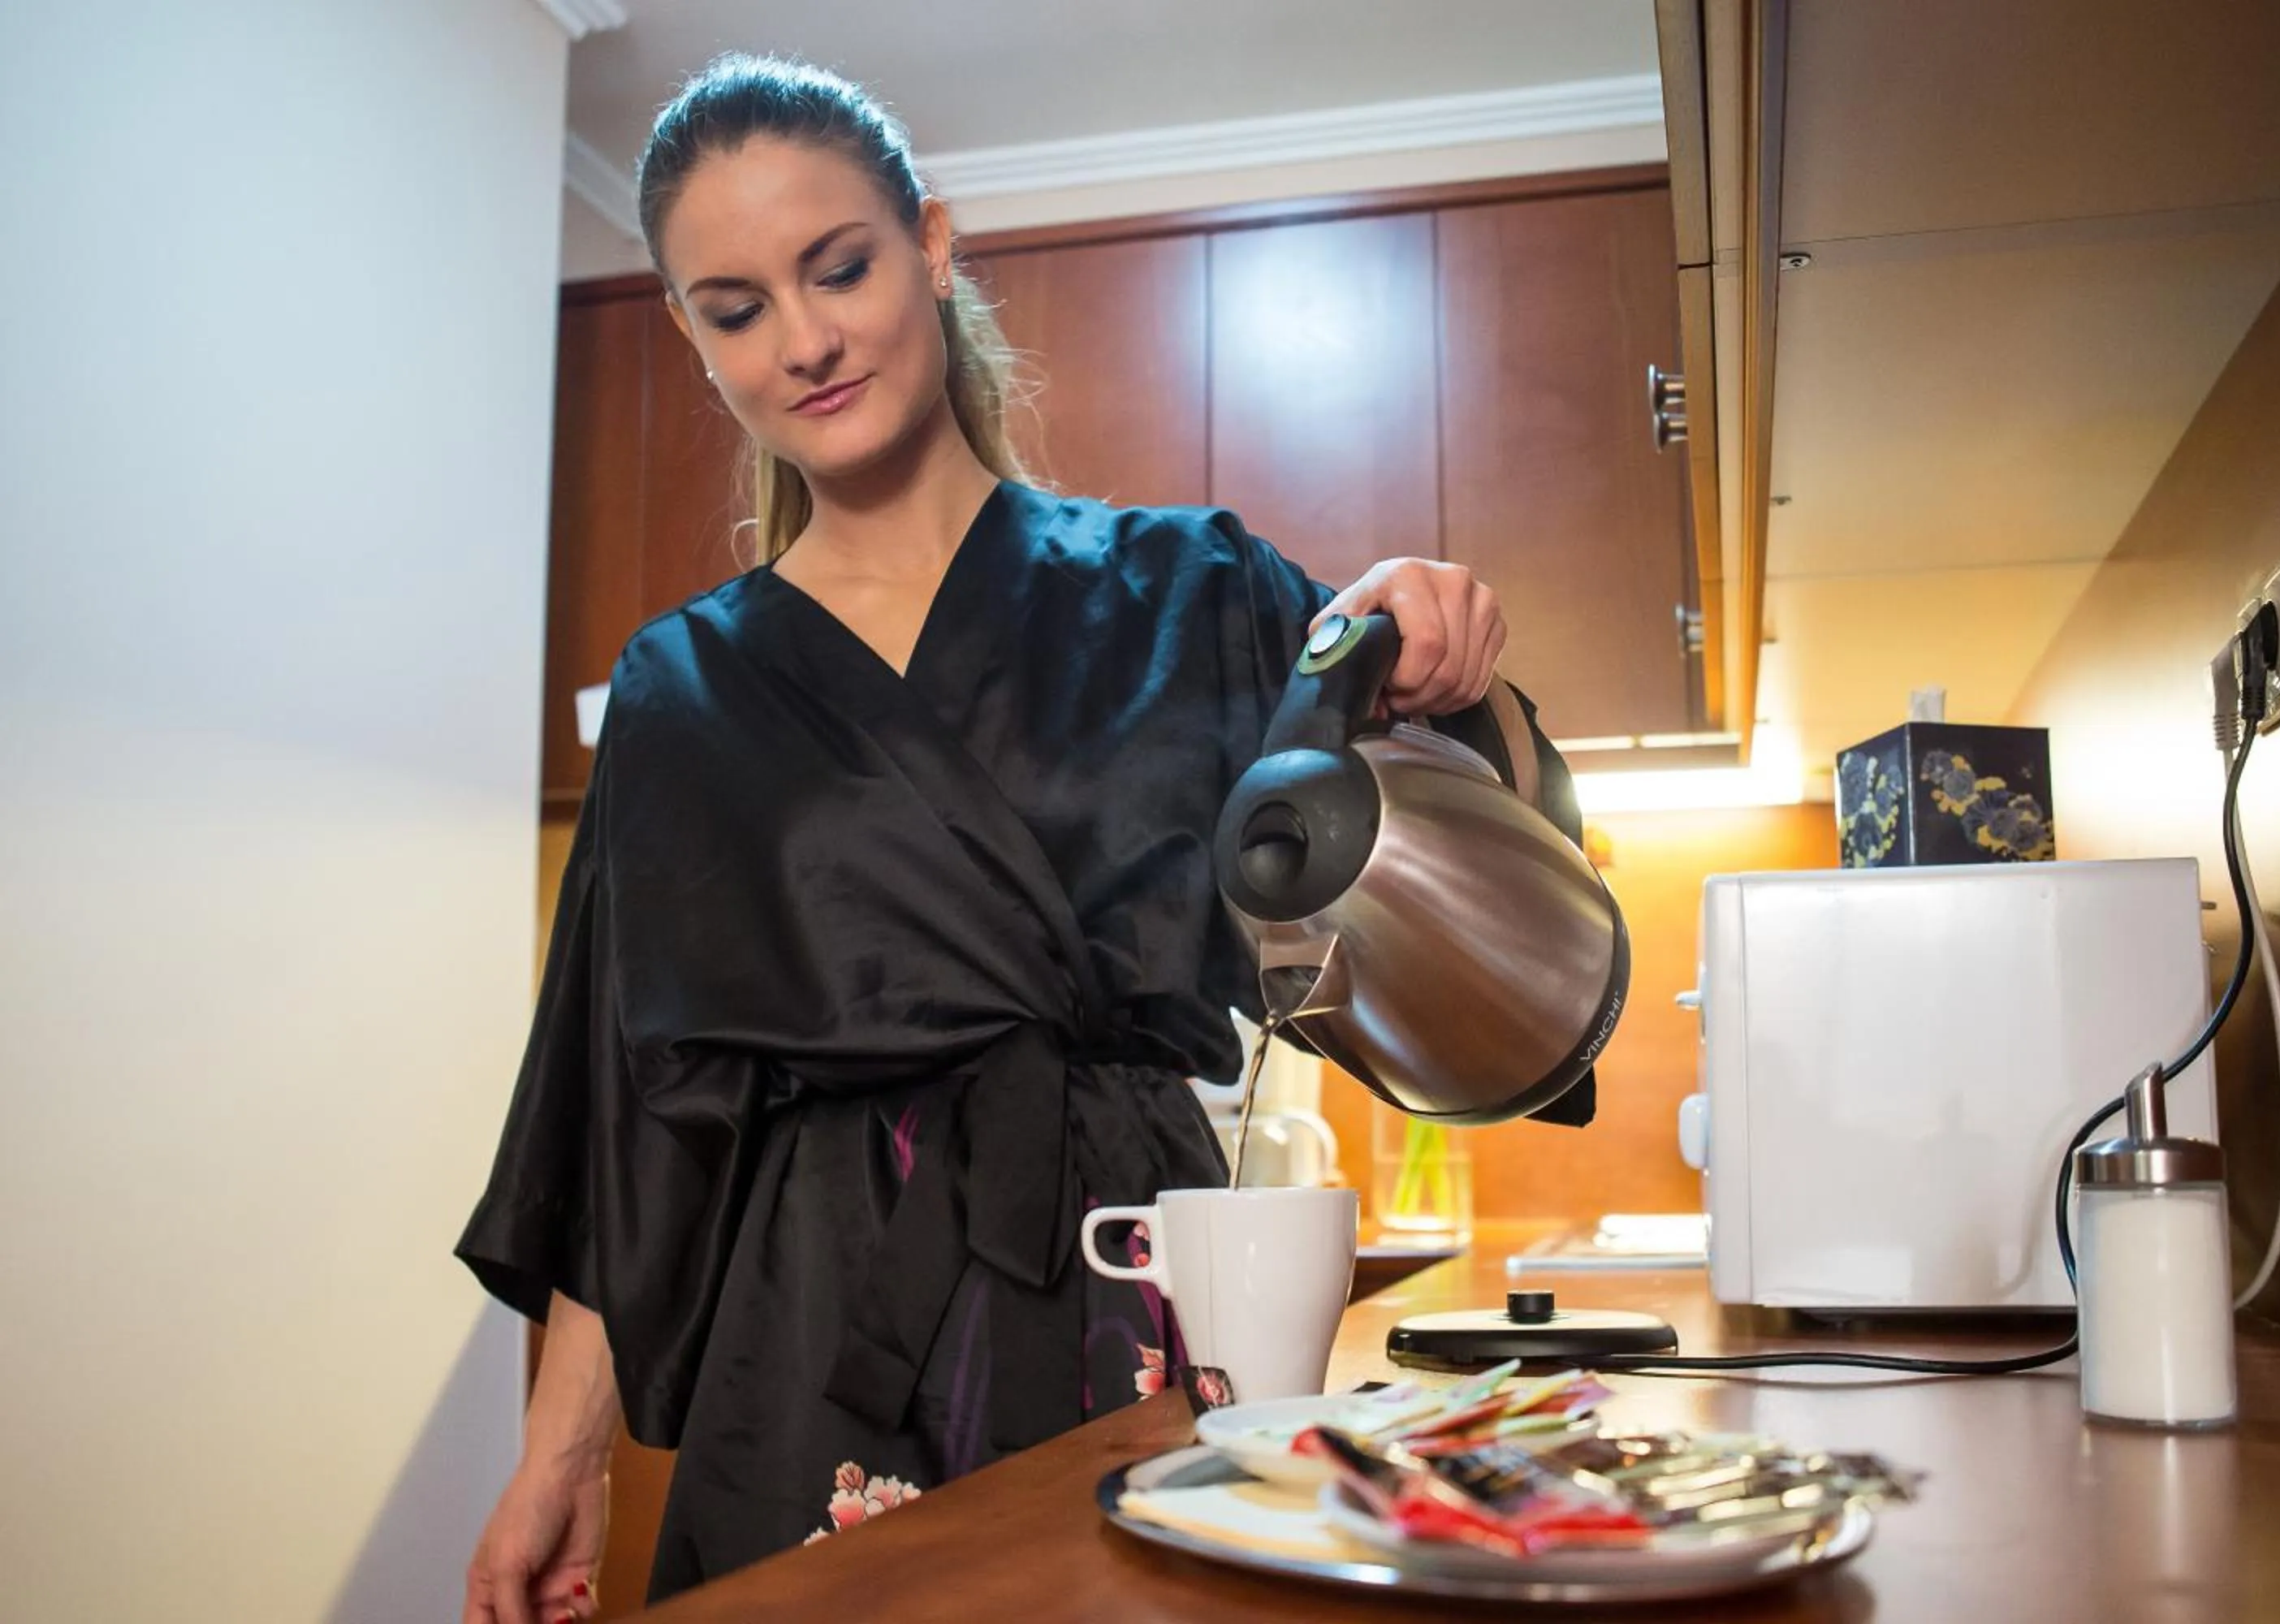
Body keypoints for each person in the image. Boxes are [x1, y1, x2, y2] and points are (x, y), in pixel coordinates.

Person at [456, 52, 1591, 1622]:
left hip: (1124, 1285)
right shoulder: (682, 691)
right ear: (694, 335)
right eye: (735, 308)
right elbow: (628, 1117)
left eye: (839, 267)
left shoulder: (1193, 590)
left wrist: (1449, 661)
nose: (803, 341)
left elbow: (1454, 885)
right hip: (808, 1355)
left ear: (930, 243)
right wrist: (559, 1459)